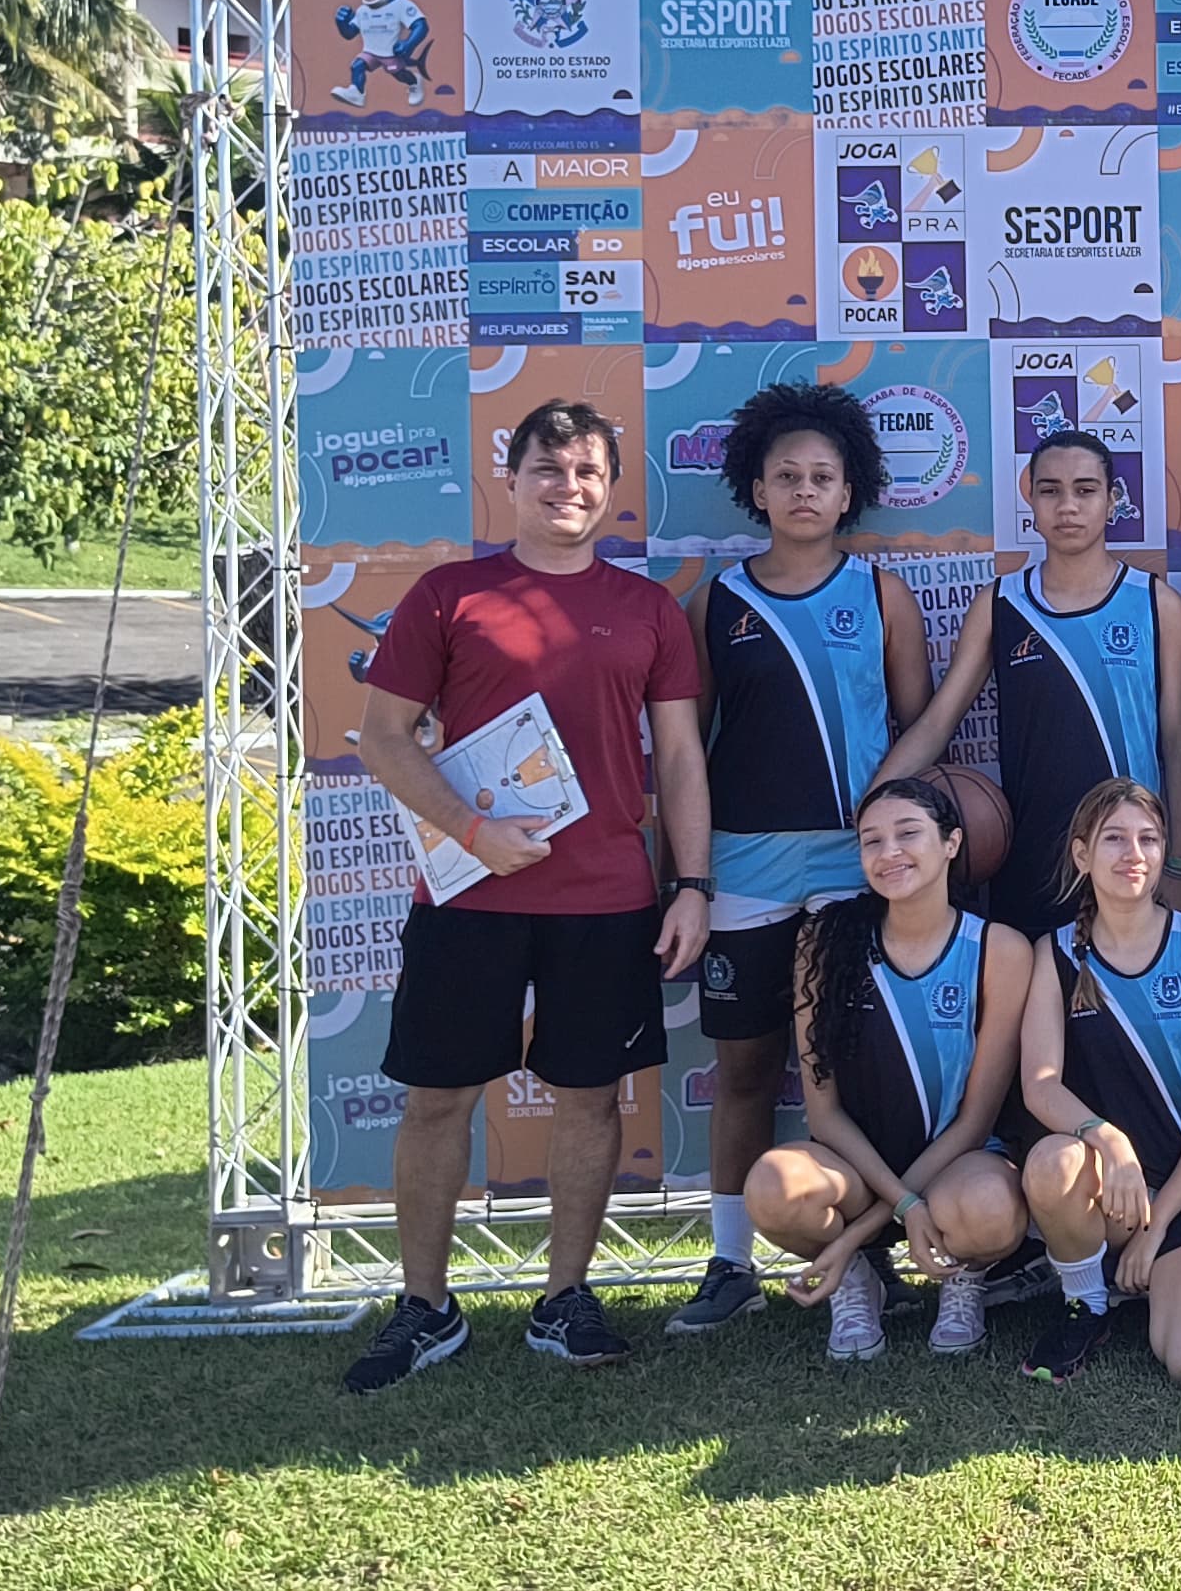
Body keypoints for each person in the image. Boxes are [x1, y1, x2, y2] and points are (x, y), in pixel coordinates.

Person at [342, 399, 711, 1393]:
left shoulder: (648, 610)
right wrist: (469, 830)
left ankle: (564, 1299)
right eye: (548, 470)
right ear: (508, 480)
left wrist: (694, 885)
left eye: (587, 472)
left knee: (590, 1099)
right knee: (436, 1100)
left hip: (609, 899)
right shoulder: (447, 597)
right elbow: (382, 738)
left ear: (611, 488)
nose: (568, 488)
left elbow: (678, 759)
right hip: (469, 896)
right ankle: (424, 1306)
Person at [667, 382, 933, 1338]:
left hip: (854, 870)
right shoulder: (717, 600)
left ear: (851, 487)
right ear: (757, 487)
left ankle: (865, 1257)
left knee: (852, 1072)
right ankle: (729, 1261)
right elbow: (688, 747)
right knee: (744, 1069)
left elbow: (917, 731)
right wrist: (689, 876)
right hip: (743, 869)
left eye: (823, 476)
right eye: (787, 476)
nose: (805, 491)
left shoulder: (882, 595)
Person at [738, 777, 1037, 1360]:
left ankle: (961, 1275)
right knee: (772, 1188)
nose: (888, 852)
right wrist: (901, 1205)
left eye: (908, 833)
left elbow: (974, 1121)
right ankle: (859, 1279)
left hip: (959, 1163)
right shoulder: (823, 943)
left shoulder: (1000, 950)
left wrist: (861, 1229)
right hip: (853, 1168)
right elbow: (823, 1114)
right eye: (871, 841)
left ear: (952, 843)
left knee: (991, 1210)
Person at [880, 428, 1181, 937]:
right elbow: (938, 723)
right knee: (1035, 1013)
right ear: (1029, 498)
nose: (1067, 505)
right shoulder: (1000, 603)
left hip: (1131, 856)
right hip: (1030, 857)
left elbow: (1177, 744)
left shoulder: (1157, 604)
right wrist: (877, 802)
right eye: (1050, 490)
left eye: (1086, 490)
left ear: (1114, 500)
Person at [1011, 779, 1181, 1383]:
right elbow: (1040, 1084)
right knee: (1050, 1162)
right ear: (1082, 854)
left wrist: (1161, 1224)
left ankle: (1157, 1271)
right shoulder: (1056, 954)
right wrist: (1107, 1138)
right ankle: (1087, 1300)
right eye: (1114, 839)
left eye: (1148, 839)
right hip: (1114, 1189)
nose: (1133, 854)